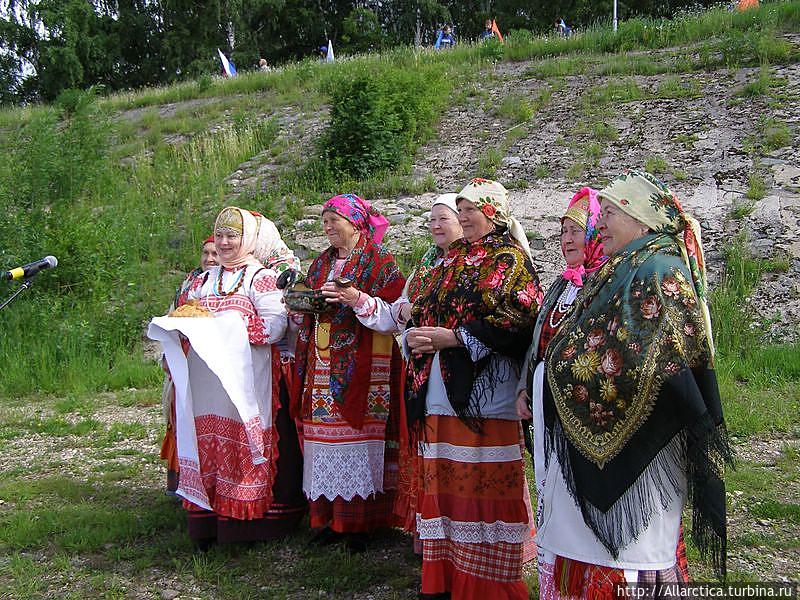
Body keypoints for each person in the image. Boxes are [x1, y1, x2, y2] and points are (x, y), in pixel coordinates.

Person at [532, 171, 732, 596]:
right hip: (619, 423)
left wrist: (571, 369)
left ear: (640, 220)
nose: (599, 223)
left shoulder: (658, 269)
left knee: (631, 557)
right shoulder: (625, 267)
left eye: (608, 213)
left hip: (647, 441)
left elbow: (653, 358)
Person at [404, 178, 543, 600]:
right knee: (444, 484)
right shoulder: (452, 258)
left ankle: (486, 585)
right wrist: (417, 330)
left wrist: (456, 338)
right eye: (459, 209)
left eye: (471, 210)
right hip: (440, 386)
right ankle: (443, 578)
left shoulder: (510, 257)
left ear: (493, 212)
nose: (463, 217)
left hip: (485, 393)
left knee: (480, 487)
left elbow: (521, 318)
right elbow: (424, 302)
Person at [152, 207, 304, 548]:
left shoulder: (259, 278)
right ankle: (207, 523)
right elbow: (187, 314)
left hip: (244, 377)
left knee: (241, 444)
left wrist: (229, 327)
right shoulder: (204, 280)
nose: (223, 243)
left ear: (247, 239)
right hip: (206, 382)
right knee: (206, 439)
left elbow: (274, 325)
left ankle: (244, 528)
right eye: (219, 236)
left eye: (231, 236)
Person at [327, 193, 463, 539]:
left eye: (443, 219)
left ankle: (461, 537)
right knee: (429, 451)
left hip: (459, 373)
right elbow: (393, 313)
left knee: (459, 455)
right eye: (431, 220)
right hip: (420, 372)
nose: (434, 226)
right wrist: (360, 300)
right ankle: (432, 537)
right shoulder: (427, 265)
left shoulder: (474, 265)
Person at [291, 194, 406, 553]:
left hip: (365, 363)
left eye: (333, 222)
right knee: (323, 439)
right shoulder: (321, 262)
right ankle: (329, 519)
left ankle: (361, 522)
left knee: (358, 440)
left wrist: (355, 298)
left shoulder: (379, 262)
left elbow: (394, 312)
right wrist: (301, 304)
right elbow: (309, 300)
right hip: (322, 360)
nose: (326, 228)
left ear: (356, 223)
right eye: (324, 222)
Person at [160, 236, 219, 495]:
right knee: (180, 417)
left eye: (215, 253)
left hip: (212, 363)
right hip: (184, 355)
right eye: (205, 253)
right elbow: (172, 317)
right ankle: (181, 484)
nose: (209, 259)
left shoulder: (229, 283)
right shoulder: (189, 283)